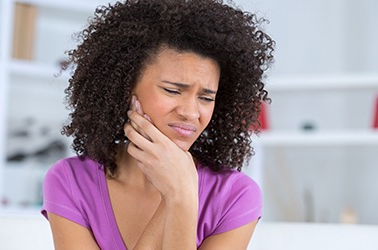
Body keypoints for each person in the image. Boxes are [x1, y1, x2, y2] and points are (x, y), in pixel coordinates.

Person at [41, 0, 275, 249]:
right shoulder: (71, 182)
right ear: (126, 87)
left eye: (206, 98)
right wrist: (177, 193)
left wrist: (181, 197)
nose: (190, 113)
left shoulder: (235, 195)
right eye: (172, 90)